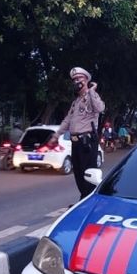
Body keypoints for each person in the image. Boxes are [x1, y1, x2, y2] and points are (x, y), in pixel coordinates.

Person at [56, 66, 105, 199]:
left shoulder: (92, 97)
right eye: (74, 79)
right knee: (78, 173)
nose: (77, 81)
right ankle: (84, 199)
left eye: (79, 78)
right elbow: (67, 120)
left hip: (87, 142)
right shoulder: (75, 102)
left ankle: (90, 200)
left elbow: (100, 108)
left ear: (86, 80)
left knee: (88, 175)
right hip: (76, 143)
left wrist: (91, 91)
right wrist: (56, 135)